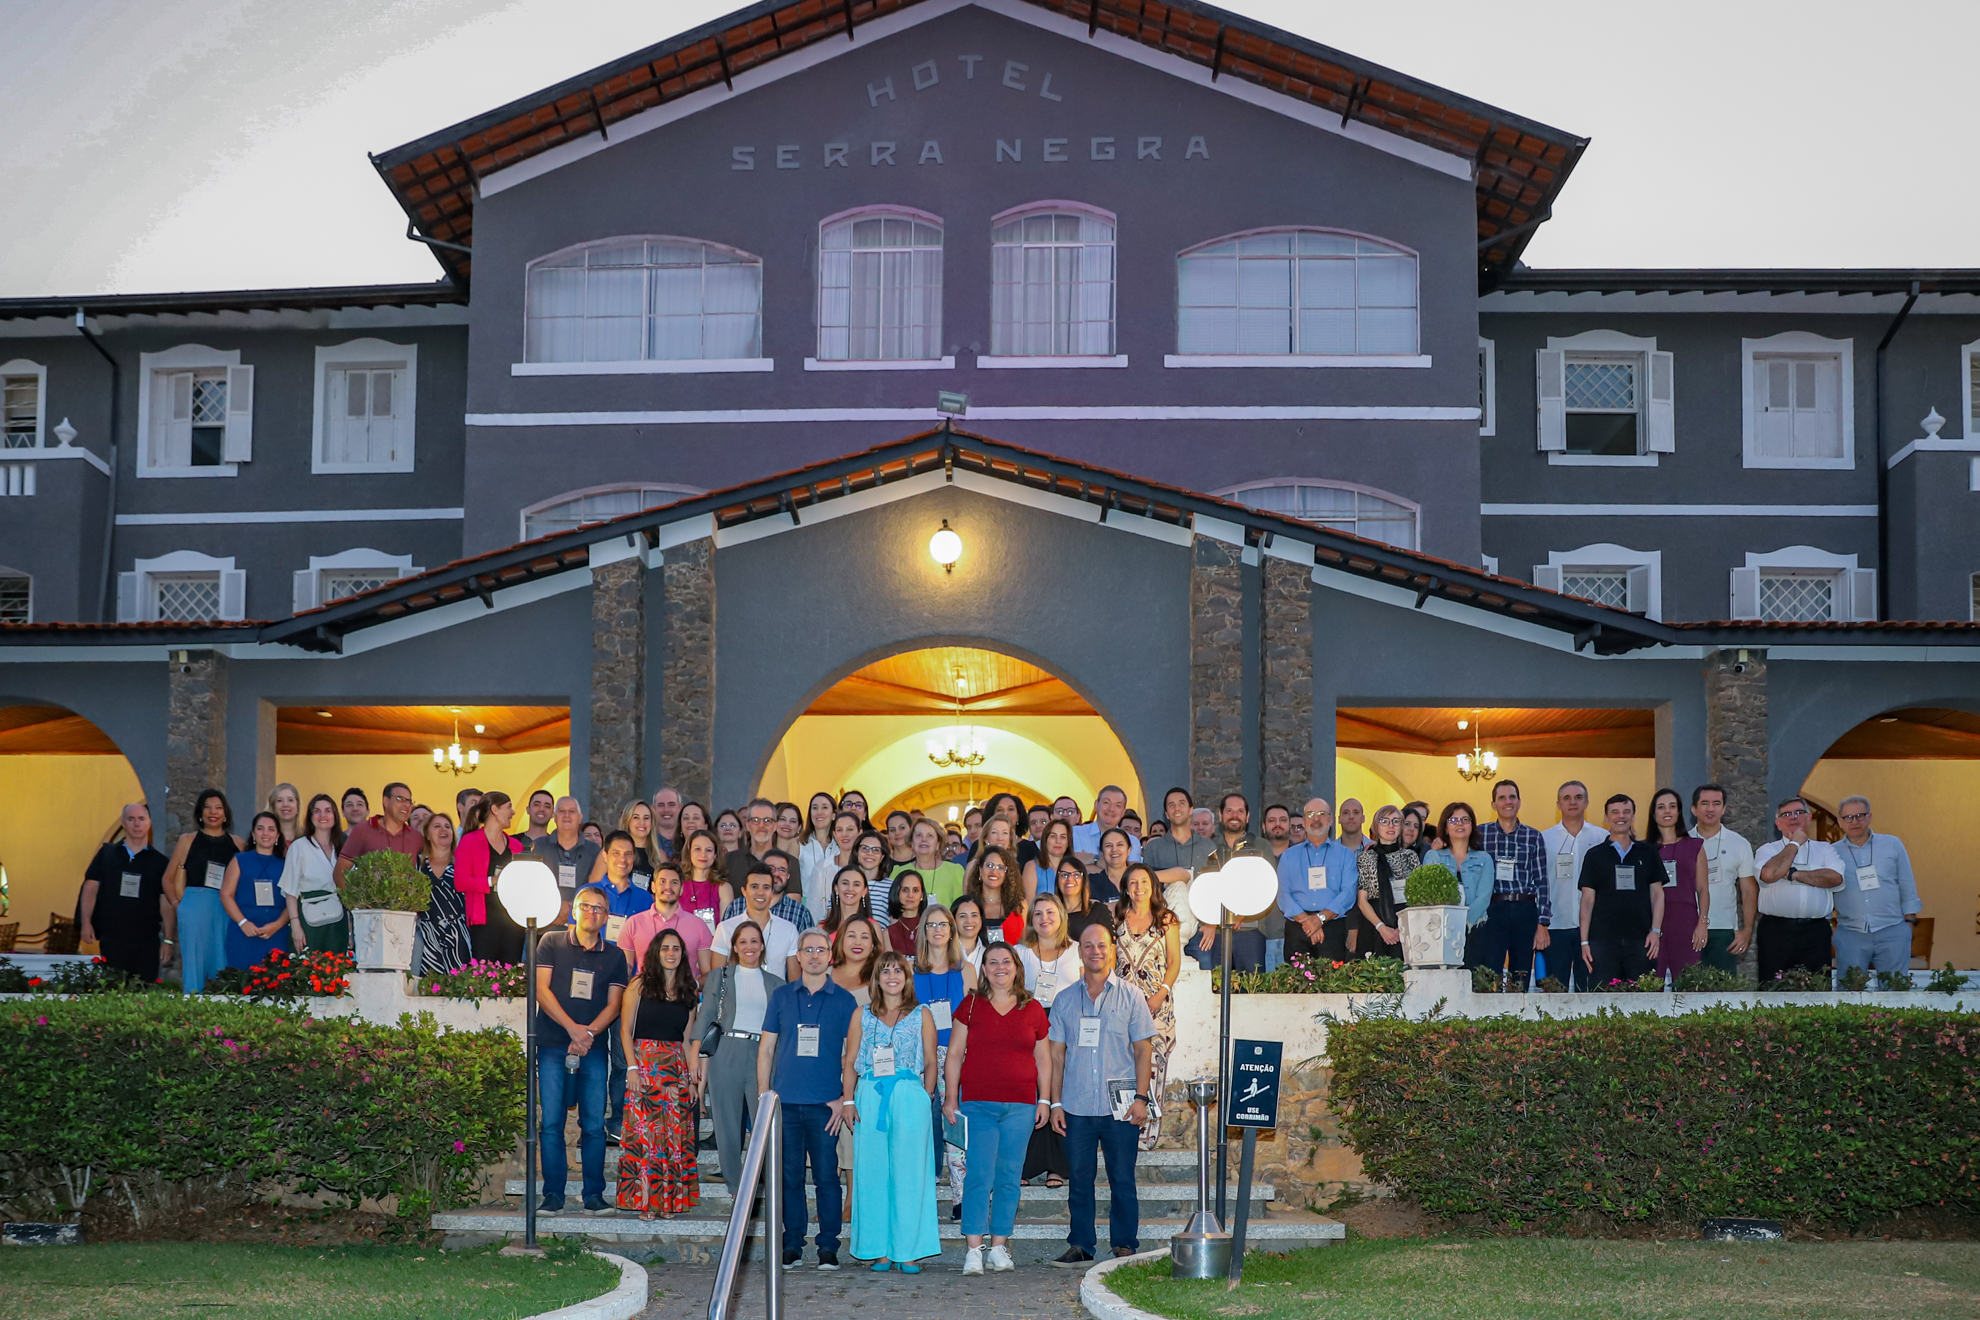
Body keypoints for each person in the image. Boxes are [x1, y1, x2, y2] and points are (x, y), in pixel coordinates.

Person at [1047, 922, 1155, 1267]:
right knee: (1079, 1179)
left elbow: (1143, 1051)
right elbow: (1056, 1056)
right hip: (1076, 1105)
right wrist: (1056, 1103)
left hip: (1121, 1106)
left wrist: (1141, 1098)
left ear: (1113, 950)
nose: (1095, 951)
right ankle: (1081, 1243)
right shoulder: (1064, 1000)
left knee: (1122, 1177)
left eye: (1102, 946)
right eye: (1088, 946)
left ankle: (1124, 1243)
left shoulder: (1131, 996)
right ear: (1080, 952)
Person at [946, 942, 1052, 1275]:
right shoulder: (972, 1005)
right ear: (984, 969)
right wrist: (951, 1098)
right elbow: (953, 1055)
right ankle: (974, 1250)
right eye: (992, 962)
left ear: (1017, 967)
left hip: (1021, 1105)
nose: (1000, 967)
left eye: (1006, 961)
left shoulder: (1032, 1007)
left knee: (1009, 1178)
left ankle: (999, 1248)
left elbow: (1044, 1058)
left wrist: (1045, 1099)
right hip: (978, 1104)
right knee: (979, 1175)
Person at [759, 926, 858, 1270]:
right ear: (798, 955)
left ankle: (828, 1246)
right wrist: (764, 1096)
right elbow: (766, 1049)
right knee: (789, 1177)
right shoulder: (782, 997)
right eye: (808, 950)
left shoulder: (845, 1001)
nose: (814, 955)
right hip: (785, 1103)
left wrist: (844, 1097)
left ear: (830, 957)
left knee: (828, 1177)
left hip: (825, 1106)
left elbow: (851, 1055)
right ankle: (792, 1244)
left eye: (821, 950)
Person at [533, 884, 630, 1214]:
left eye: (599, 909)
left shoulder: (615, 955)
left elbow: (615, 1005)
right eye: (586, 907)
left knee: (592, 1124)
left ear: (606, 916)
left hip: (592, 1048)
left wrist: (587, 1034)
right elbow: (541, 991)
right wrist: (572, 1029)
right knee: (552, 1123)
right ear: (574, 910)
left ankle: (593, 1194)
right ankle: (553, 1194)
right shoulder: (550, 942)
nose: (592, 913)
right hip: (551, 1044)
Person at [842, 951, 941, 1272]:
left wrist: (924, 1095)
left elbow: (930, 1060)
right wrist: (848, 1100)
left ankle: (907, 1250)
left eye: (898, 970)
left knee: (909, 1175)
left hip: (909, 1095)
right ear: (877, 978)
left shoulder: (921, 1014)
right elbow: (850, 1061)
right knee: (872, 1174)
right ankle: (879, 1249)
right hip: (870, 1095)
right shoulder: (861, 1015)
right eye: (885, 971)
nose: (892, 976)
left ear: (907, 977)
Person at [691, 920, 782, 1195]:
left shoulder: (777, 983)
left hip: (763, 1055)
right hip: (726, 1051)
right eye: (743, 941)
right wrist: (695, 1058)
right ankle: (734, 1184)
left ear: (762, 945)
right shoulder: (720, 977)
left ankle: (761, 1179)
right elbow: (705, 1017)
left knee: (764, 1121)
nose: (749, 947)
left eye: (754, 941)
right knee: (727, 1122)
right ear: (735, 947)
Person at [618, 928, 700, 1219]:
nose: (670, 953)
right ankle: (647, 1202)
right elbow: (625, 1031)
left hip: (675, 1070)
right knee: (647, 1138)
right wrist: (632, 1068)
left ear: (682, 953)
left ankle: (670, 1203)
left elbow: (689, 1039)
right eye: (665, 947)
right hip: (643, 1068)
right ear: (655, 951)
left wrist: (692, 1080)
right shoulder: (639, 985)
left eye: (676, 948)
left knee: (674, 1139)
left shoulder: (688, 990)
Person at [1113, 863, 1179, 1151]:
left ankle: (1147, 1135)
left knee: (1153, 1067)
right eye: (1133, 882)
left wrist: (1159, 995)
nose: (1139, 887)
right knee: (1122, 1065)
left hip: (1156, 1004)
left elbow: (1174, 962)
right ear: (1126, 886)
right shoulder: (1117, 917)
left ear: (1153, 885)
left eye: (1144, 881)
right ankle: (1121, 1130)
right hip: (1123, 1004)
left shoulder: (1166, 919)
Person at [915, 904, 977, 1201]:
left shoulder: (966, 970)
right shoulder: (910, 971)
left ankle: (961, 1196)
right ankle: (924, 1193)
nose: (937, 930)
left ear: (952, 930)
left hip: (958, 1056)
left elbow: (975, 1017)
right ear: (923, 931)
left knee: (956, 1124)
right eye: (931, 924)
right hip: (921, 1058)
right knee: (924, 1126)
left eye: (943, 924)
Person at [1017, 892, 1078, 1189]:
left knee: (1059, 1095)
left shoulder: (1077, 950)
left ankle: (1058, 1166)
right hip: (1030, 1028)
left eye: (1050, 913)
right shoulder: (1020, 952)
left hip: (1068, 1029)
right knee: (1033, 1093)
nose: (1044, 919)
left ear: (1062, 917)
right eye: (1038, 914)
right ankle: (1027, 1164)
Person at [1576, 794, 1666, 987]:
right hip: (1602, 940)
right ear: (1606, 818)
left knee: (1643, 1000)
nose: (1621, 816)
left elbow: (1657, 894)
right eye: (1615, 812)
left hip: (1642, 940)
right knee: (1602, 1001)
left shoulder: (1648, 852)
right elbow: (1587, 900)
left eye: (1626, 812)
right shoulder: (1594, 855)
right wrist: (1584, 942)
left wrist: (1655, 931)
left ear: (1633, 817)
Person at [1753, 796, 1846, 982]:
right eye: (1787, 814)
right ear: (1778, 823)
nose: (1793, 817)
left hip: (1816, 932)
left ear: (1809, 818)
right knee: (1773, 989)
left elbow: (1835, 878)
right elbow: (1770, 874)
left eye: (1799, 812)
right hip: (1776, 932)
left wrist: (1793, 874)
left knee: (1817, 989)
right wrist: (1794, 843)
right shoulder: (1768, 850)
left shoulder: (1825, 849)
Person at [81, 802, 172, 982]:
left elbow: (166, 903)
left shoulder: (160, 862)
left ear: (149, 823)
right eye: (131, 819)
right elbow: (90, 888)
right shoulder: (107, 854)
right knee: (113, 990)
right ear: (123, 823)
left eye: (141, 819)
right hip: (112, 937)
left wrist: (168, 939)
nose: (136, 824)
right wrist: (86, 923)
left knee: (143, 993)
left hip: (146, 940)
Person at [1832, 795, 1922, 975]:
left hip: (1892, 930)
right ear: (1840, 822)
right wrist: (1832, 930)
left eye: (1860, 816)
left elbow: (1907, 884)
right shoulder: (1832, 851)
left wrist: (1909, 923)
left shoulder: (1892, 844)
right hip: (1850, 933)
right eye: (1848, 817)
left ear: (1869, 817)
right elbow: (1825, 891)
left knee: (1894, 992)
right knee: (1851, 993)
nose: (1854, 821)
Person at [1472, 781, 1552, 982]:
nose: (1508, 802)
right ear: (1493, 804)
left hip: (1525, 910)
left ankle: (1519, 1012)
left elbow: (1542, 880)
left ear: (1519, 802)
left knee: (1521, 972)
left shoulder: (1533, 836)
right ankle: (1490, 1013)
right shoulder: (1480, 834)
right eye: (1502, 798)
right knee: (1489, 971)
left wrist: (1542, 923)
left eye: (1512, 797)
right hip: (1492, 909)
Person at [166, 788, 243, 993]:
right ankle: (193, 1014)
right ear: (200, 812)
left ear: (226, 813)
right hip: (194, 907)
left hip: (225, 909)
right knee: (193, 965)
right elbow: (167, 879)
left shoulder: (237, 843)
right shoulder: (187, 840)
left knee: (223, 963)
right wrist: (178, 906)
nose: (213, 812)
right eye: (207, 807)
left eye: (218, 807)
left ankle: (222, 1017)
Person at [1275, 798, 1359, 962]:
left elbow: (1348, 893)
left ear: (1330, 820)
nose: (1316, 819)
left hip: (1332, 927)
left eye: (1321, 814)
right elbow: (1283, 893)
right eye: (1310, 814)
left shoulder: (1345, 855)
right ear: (1304, 821)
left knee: (1331, 984)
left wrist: (1320, 918)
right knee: (1296, 985)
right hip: (1297, 928)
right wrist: (1309, 922)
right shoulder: (1289, 856)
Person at [1198, 793, 1272, 972]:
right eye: (1229, 811)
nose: (1234, 815)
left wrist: (1241, 913)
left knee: (1252, 991)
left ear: (1247, 817)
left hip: (1250, 930)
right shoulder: (1208, 847)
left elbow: (1266, 886)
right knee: (1217, 989)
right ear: (1221, 816)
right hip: (1216, 932)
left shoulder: (1261, 846)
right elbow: (1204, 888)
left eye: (1240, 811)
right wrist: (1213, 922)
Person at [1540, 781, 1603, 986]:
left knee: (1590, 991)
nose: (1572, 802)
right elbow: (1538, 883)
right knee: (1554, 992)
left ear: (1586, 803)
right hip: (1556, 925)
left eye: (1578, 797)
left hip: (1594, 928)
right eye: (1566, 798)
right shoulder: (1544, 839)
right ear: (1558, 804)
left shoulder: (1602, 837)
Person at [1690, 784, 1758, 974]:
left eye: (1716, 803)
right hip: (1688, 928)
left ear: (1724, 809)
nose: (1710, 808)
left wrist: (1747, 930)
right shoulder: (1683, 842)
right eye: (1704, 803)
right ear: (1694, 809)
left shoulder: (1739, 844)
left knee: (1723, 994)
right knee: (1685, 994)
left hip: (1724, 930)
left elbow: (1748, 890)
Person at [457, 792, 526, 963]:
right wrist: (491, 881)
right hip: (484, 922)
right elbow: (460, 882)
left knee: (510, 978)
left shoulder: (516, 846)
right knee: (484, 978)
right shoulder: (469, 841)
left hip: (513, 923)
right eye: (508, 807)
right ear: (494, 809)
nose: (513, 812)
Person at [1648, 788, 1709, 979]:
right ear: (1653, 813)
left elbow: (1703, 889)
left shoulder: (1695, 846)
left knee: (1688, 982)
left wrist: (1702, 922)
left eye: (1672, 806)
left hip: (1686, 922)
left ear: (1679, 812)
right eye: (1661, 807)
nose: (1667, 811)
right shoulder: (1643, 849)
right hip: (1652, 923)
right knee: (1650, 982)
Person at [617, 858, 713, 978]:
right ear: (653, 887)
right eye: (662, 881)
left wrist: (693, 986)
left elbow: (708, 974)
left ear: (682, 889)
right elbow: (624, 972)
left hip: (685, 995)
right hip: (644, 993)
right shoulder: (634, 923)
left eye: (674, 882)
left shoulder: (699, 926)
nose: (668, 886)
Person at [1425, 802, 1494, 964]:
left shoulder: (1484, 858)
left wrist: (1464, 922)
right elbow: (1429, 894)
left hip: (1475, 926)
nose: (1460, 824)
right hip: (1441, 930)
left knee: (1473, 979)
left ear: (1472, 825)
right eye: (1453, 820)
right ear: (1445, 826)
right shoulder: (1433, 857)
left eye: (1465, 819)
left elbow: (1484, 896)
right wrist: (1451, 924)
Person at [280, 794, 348, 954]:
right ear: (310, 817)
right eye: (317, 811)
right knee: (309, 971)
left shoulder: (342, 848)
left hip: (338, 919)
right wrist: (295, 925)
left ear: (335, 816)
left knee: (337, 970)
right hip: (308, 919)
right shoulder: (299, 847)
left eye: (328, 811)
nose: (322, 815)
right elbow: (290, 890)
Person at [712, 864, 802, 980]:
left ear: (772, 892)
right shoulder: (725, 928)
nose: (760, 892)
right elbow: (716, 980)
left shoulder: (788, 929)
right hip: (736, 997)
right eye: (754, 887)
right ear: (744, 891)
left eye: (766, 887)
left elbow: (794, 981)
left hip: (775, 996)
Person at [1354, 806, 1421, 958]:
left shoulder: (1410, 856)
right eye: (1384, 821)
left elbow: (1419, 897)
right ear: (1376, 826)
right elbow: (1362, 901)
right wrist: (1382, 928)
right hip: (1374, 924)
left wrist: (1402, 929)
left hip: (1406, 924)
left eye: (1396, 821)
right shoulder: (1365, 857)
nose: (1390, 825)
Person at [415, 812, 472, 975]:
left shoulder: (462, 862)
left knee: (459, 986)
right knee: (428, 985)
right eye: (437, 826)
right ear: (427, 834)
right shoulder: (417, 865)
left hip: (458, 934)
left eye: (447, 826)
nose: (443, 830)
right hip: (427, 934)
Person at [534, 797, 601, 925]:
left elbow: (597, 887)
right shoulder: (538, 847)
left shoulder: (594, 850)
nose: (566, 815)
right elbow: (534, 885)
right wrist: (557, 907)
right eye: (561, 811)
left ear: (580, 817)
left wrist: (574, 909)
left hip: (581, 926)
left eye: (572, 811)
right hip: (545, 927)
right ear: (554, 816)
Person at [335, 782, 421, 883]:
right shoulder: (362, 830)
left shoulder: (416, 837)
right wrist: (353, 898)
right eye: (400, 799)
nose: (406, 805)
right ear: (386, 801)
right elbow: (339, 873)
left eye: (409, 801)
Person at [898, 818, 966, 909]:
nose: (924, 840)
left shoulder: (955, 871)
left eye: (930, 836)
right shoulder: (898, 872)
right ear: (911, 842)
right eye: (918, 835)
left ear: (938, 843)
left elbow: (961, 909)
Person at [967, 845, 1026, 946]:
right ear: (980, 870)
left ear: (1007, 873)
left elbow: (1027, 944)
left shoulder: (1020, 906)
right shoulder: (969, 905)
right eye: (989, 865)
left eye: (1000, 867)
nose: (994, 871)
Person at [679, 829, 730, 940]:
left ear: (715, 855)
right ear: (689, 852)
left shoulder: (723, 888)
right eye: (697, 849)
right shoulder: (678, 885)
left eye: (709, 850)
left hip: (712, 949)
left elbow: (726, 931)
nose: (703, 855)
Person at [1071, 786, 1142, 864]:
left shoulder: (1132, 841)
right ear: (1096, 805)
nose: (1111, 809)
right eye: (1106, 803)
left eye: (1118, 805)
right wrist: (1116, 866)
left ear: (1123, 812)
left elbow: (1131, 873)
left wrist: (1092, 859)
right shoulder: (1075, 832)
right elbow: (1074, 866)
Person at [1055, 858, 1117, 946]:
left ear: (1083, 880)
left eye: (1076, 875)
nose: (1069, 879)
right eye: (1064, 875)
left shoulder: (1098, 911)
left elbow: (1111, 951)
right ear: (1057, 880)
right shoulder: (1051, 914)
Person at [799, 794, 843, 916]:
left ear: (834, 814)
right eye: (814, 808)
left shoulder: (841, 845)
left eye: (824, 807)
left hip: (836, 911)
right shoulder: (798, 844)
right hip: (807, 910)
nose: (819, 812)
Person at [1024, 818, 1076, 900]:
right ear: (1045, 840)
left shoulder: (1076, 869)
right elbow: (1027, 905)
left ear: (1068, 842)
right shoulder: (1032, 867)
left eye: (1063, 837)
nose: (1058, 841)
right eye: (1053, 836)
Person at [852, 830, 894, 926]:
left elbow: (895, 928)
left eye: (875, 850)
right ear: (856, 852)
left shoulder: (892, 887)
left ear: (882, 856)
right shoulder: (843, 881)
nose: (869, 853)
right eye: (865, 848)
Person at [1087, 828, 1135, 907]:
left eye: (1120, 844)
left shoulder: (1141, 878)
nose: (1114, 849)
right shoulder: (1091, 882)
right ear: (1102, 852)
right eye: (1108, 845)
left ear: (1129, 850)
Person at [886, 871, 928, 956]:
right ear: (897, 893)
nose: (910, 895)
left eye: (915, 890)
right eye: (905, 890)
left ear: (922, 895)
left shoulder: (930, 928)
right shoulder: (888, 933)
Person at [951, 895, 988, 971]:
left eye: (974, 915)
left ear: (981, 919)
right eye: (962, 916)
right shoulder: (944, 952)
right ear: (953, 920)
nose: (969, 921)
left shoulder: (989, 953)